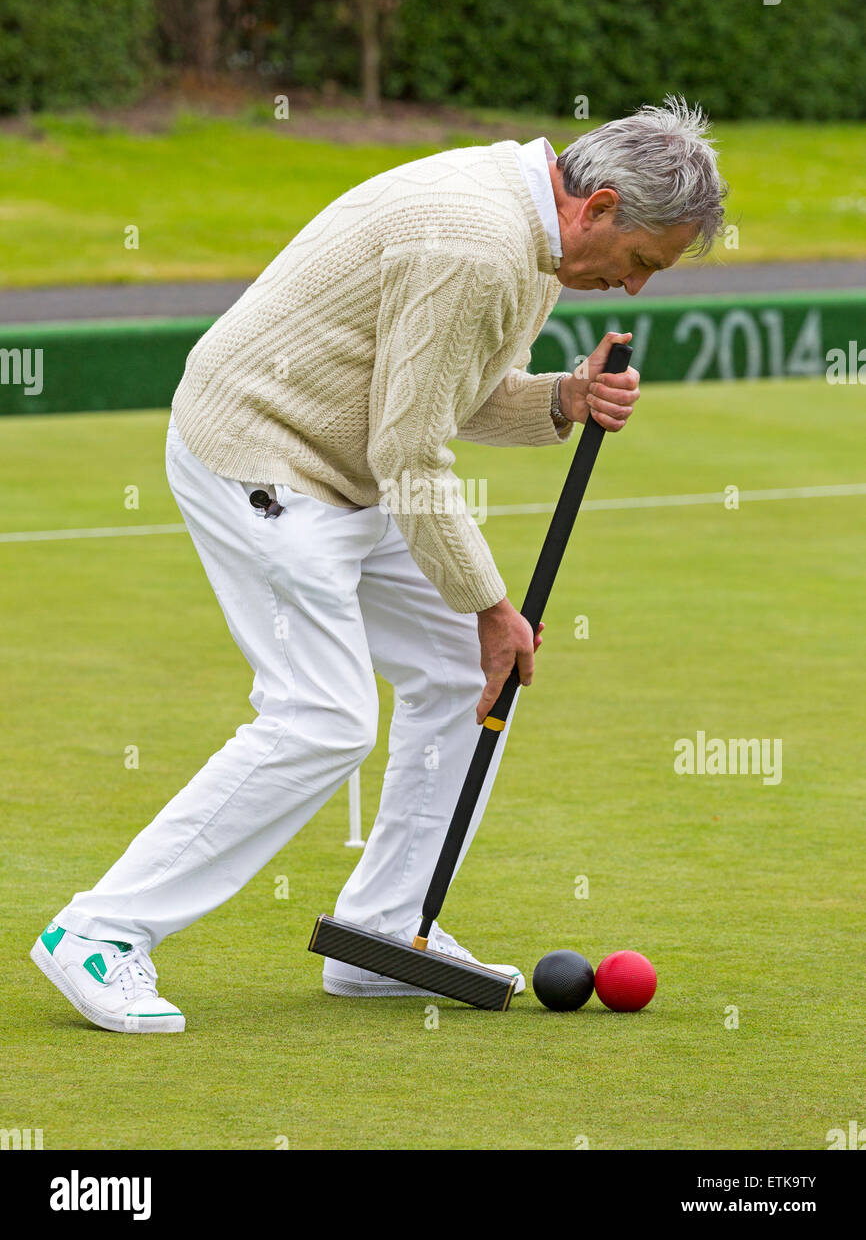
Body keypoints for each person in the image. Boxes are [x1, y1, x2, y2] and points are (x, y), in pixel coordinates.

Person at [32, 96, 725, 1032]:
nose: (637, 288)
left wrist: (560, 396)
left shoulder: (528, 240)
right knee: (324, 715)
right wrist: (491, 604)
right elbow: (411, 452)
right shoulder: (477, 245)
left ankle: (384, 933)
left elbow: (441, 393)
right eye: (642, 262)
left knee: (464, 672)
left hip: (345, 463)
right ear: (598, 207)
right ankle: (99, 933)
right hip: (263, 459)